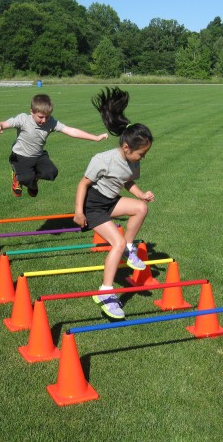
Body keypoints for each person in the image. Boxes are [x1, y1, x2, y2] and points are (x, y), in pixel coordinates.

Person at [73, 87, 154, 319]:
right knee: (115, 243)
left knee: (141, 208)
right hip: (93, 206)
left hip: (110, 201)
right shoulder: (103, 160)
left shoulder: (133, 161)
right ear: (127, 148)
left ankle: (130, 249)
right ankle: (106, 293)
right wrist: (79, 212)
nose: (142, 158)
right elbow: (83, 184)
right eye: (141, 154)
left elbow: (127, 182)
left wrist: (140, 194)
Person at [0, 94, 108, 197]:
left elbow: (71, 131)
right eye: (40, 117)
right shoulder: (23, 119)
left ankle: (33, 180)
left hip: (38, 156)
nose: (44, 120)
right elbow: (3, 124)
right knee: (26, 178)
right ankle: (17, 178)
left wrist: (95, 138)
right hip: (20, 157)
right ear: (31, 111)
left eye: (47, 117)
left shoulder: (51, 122)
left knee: (52, 172)